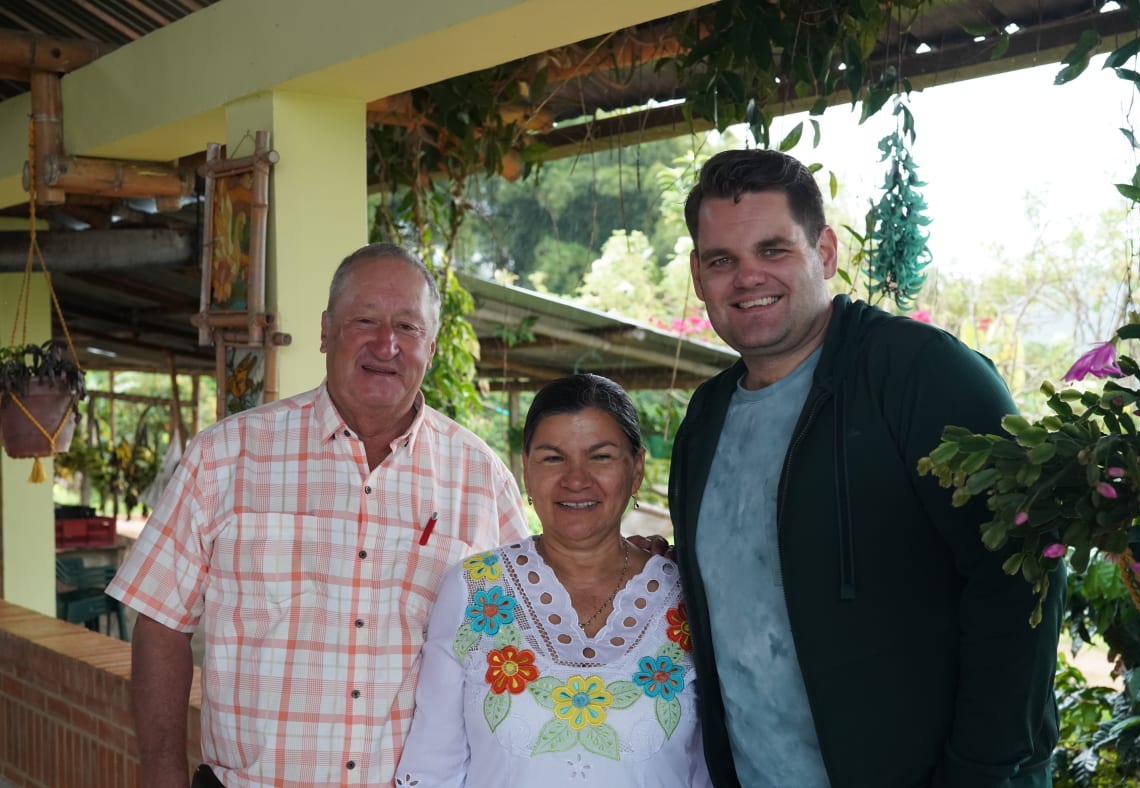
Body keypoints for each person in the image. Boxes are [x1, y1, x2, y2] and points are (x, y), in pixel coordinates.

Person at [668, 149, 1065, 788]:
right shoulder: (706, 416)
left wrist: (979, 775)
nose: (747, 278)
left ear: (823, 252)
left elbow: (1020, 583)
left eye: (774, 250)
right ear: (697, 273)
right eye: (722, 260)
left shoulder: (920, 373)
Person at [107, 242, 529, 788]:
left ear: (431, 344)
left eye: (408, 326)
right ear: (327, 331)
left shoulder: (479, 476)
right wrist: (162, 775)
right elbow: (161, 623)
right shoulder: (226, 457)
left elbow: (529, 630)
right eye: (365, 320)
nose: (386, 344)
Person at [395, 373, 711, 787]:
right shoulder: (475, 590)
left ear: (635, 470)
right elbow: (433, 768)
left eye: (600, 457)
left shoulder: (688, 596)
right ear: (525, 469)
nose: (576, 479)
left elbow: (712, 769)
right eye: (552, 457)